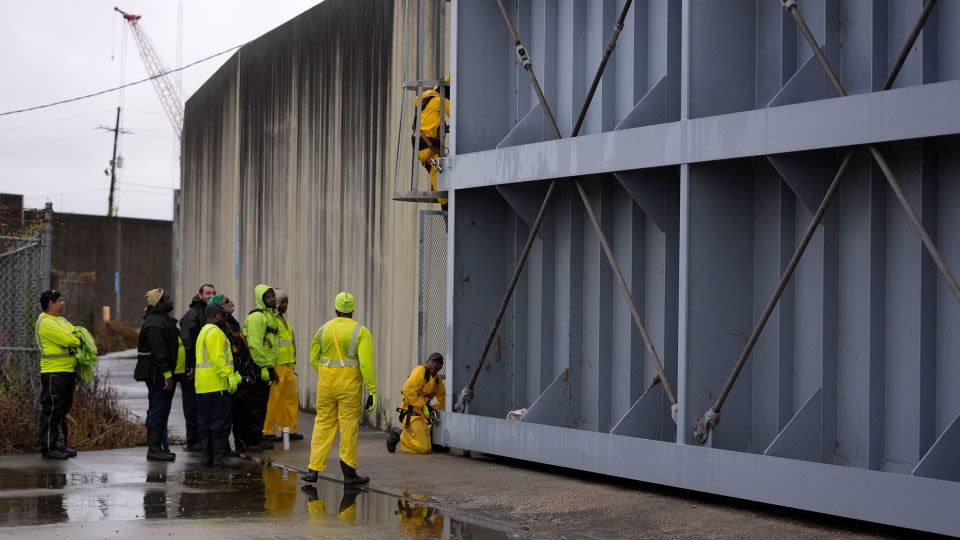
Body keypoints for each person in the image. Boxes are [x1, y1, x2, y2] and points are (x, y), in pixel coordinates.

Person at [302, 292, 377, 486]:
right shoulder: (361, 332)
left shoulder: (323, 329)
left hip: (326, 384)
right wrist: (372, 391)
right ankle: (349, 474)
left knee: (323, 424)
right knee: (348, 426)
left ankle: (313, 470)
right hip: (349, 385)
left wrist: (326, 374)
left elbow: (313, 359)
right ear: (352, 310)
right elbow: (366, 365)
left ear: (336, 309)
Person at [194, 302, 242, 468]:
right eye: (222, 315)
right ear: (215, 316)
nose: (224, 318)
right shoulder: (215, 332)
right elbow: (219, 359)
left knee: (205, 424)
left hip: (203, 386)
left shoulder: (203, 332)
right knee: (220, 423)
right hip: (216, 385)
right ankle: (220, 458)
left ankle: (208, 458)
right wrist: (230, 377)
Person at [35, 290, 81, 460]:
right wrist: (76, 339)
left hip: (67, 371)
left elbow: (78, 333)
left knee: (62, 409)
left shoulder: (61, 320)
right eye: (59, 300)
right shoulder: (45, 322)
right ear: (50, 303)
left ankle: (60, 445)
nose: (63, 303)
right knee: (52, 409)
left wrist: (77, 337)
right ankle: (48, 447)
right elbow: (71, 339)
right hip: (54, 372)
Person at [135, 288, 179, 462]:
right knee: (157, 409)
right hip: (157, 375)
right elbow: (159, 352)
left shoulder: (161, 320)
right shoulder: (155, 323)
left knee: (160, 409)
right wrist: (167, 375)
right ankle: (154, 449)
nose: (170, 300)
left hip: (160, 374)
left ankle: (159, 447)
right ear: (158, 303)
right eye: (166, 298)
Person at [239, 284, 280, 451]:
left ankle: (257, 437)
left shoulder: (270, 316)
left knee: (261, 405)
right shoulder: (258, 318)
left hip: (265, 367)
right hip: (257, 368)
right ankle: (252, 440)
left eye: (272, 296)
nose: (272, 299)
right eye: (268, 297)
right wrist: (263, 366)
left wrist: (271, 369)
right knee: (255, 406)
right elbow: (255, 345)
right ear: (261, 299)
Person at [177, 283, 217, 451]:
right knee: (193, 407)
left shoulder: (208, 314)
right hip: (193, 371)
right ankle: (193, 440)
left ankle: (200, 440)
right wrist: (191, 365)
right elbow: (188, 344)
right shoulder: (193, 315)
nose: (211, 295)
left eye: (213, 293)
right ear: (199, 295)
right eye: (207, 293)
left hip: (203, 372)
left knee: (202, 408)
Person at [262, 289, 302, 442]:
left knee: (290, 400)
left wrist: (293, 362)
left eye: (287, 302)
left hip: (288, 365)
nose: (286, 305)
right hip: (277, 365)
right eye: (283, 302)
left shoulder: (284, 318)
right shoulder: (270, 319)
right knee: (274, 401)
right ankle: (268, 431)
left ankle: (289, 430)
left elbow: (290, 341)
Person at [387, 353, 446, 454]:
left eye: (439, 363)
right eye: (433, 362)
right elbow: (407, 390)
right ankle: (400, 435)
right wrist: (423, 405)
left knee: (428, 447)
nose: (435, 365)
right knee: (424, 449)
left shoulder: (437, 380)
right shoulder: (420, 370)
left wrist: (441, 411)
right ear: (427, 362)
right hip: (412, 413)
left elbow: (443, 398)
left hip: (423, 415)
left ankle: (432, 440)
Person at [412, 75, 451, 209]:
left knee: (438, 178)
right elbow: (458, 113)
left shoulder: (425, 103)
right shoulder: (439, 101)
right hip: (429, 148)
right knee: (441, 182)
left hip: (421, 149)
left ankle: (447, 210)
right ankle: (447, 213)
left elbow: (429, 124)